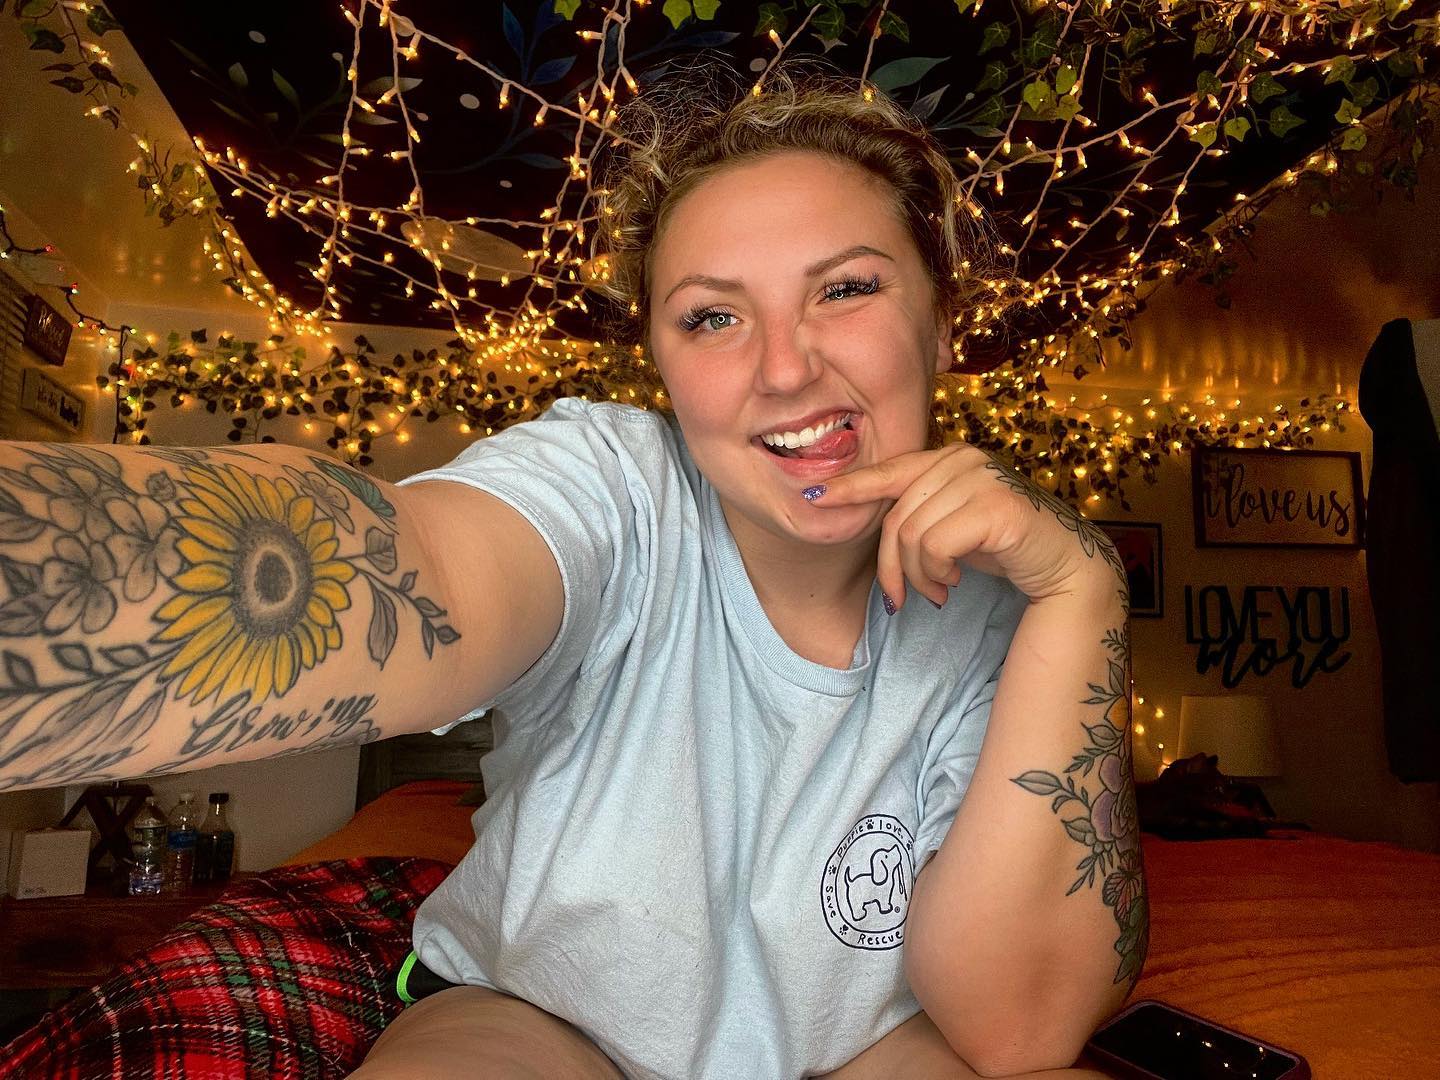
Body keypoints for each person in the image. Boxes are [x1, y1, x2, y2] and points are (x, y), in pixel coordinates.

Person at [0, 59, 1143, 1080]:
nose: (786, 369)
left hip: (870, 1047)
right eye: (712, 318)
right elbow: (427, 569)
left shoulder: (1003, 616)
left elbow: (1017, 1029)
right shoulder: (612, 482)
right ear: (660, 363)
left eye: (845, 289)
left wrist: (1082, 587)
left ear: (942, 322)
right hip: (540, 1019)